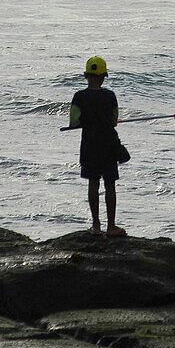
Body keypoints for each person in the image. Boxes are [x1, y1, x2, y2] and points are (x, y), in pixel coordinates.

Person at [69, 55, 126, 236]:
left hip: (89, 146)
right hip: (109, 145)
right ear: (103, 77)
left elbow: (73, 122)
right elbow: (114, 121)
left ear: (86, 76)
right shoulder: (110, 96)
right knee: (110, 185)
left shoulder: (79, 97)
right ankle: (111, 226)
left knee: (93, 184)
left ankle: (96, 225)